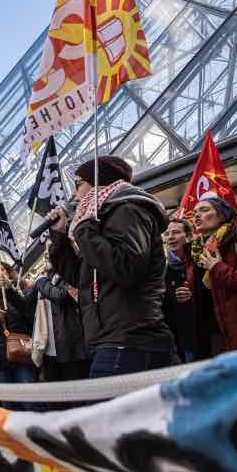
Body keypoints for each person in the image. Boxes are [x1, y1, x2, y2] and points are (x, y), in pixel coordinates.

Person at [46, 156, 177, 378]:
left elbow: (126, 268)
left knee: (102, 412)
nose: (74, 195)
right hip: (118, 339)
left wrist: (84, 229)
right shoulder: (103, 219)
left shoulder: (127, 209)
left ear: (100, 182)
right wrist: (60, 239)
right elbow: (82, 277)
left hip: (129, 339)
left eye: (78, 184)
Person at [191, 195, 237, 354]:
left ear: (222, 215)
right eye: (194, 213)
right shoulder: (197, 251)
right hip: (215, 335)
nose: (197, 215)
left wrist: (218, 268)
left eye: (204, 210)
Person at [0, 262, 37, 402]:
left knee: (29, 399)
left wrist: (10, 290)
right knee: (8, 403)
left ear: (9, 272)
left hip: (22, 353)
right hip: (0, 358)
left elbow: (28, 313)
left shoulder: (21, 289)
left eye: (0, 269)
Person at [33, 263, 88, 381]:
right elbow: (24, 305)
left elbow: (60, 296)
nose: (47, 253)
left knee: (74, 394)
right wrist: (10, 289)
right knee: (54, 397)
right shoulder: (45, 279)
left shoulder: (70, 275)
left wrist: (41, 281)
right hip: (48, 352)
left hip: (70, 351)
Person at [162, 217, 198, 362]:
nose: (171, 237)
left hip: (200, 336)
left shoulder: (201, 262)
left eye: (176, 232)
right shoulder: (164, 270)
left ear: (189, 236)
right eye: (167, 233)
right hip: (177, 341)